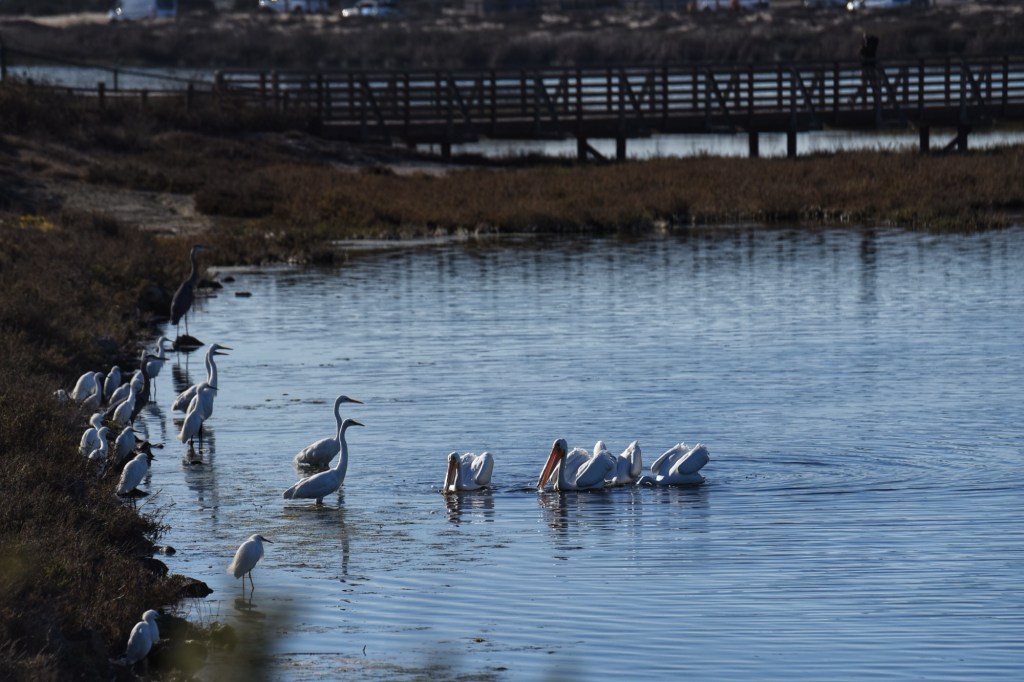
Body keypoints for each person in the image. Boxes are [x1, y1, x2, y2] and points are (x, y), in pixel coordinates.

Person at [859, 33, 880, 105]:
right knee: (865, 86)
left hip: (870, 68)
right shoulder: (865, 48)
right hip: (866, 69)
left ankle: (876, 102)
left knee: (873, 86)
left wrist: (866, 39)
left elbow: (876, 40)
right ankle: (865, 102)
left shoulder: (872, 45)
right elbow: (862, 54)